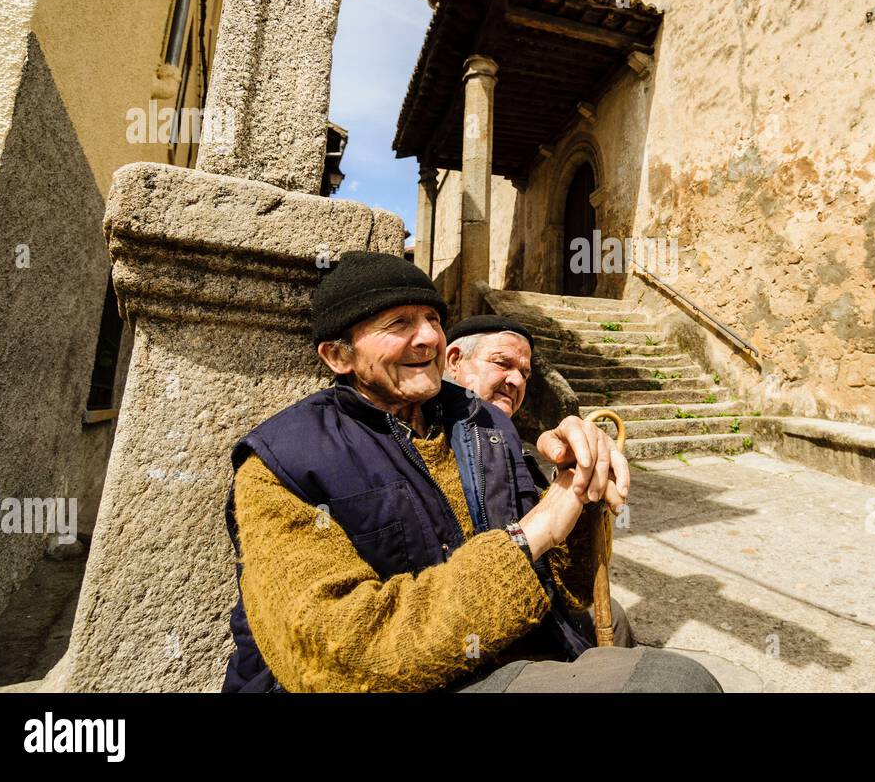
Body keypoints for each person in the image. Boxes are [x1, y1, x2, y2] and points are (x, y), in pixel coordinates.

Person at [221, 251, 720, 693]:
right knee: (676, 684)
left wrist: (575, 491)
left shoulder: (482, 423)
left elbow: (564, 585)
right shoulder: (282, 463)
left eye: (433, 318)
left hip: (505, 656)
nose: (429, 338)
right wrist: (528, 537)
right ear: (337, 355)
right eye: (399, 324)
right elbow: (340, 657)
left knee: (663, 669)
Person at [443, 313, 636, 649]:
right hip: (477, 635)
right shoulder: (433, 440)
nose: (516, 381)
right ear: (455, 361)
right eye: (502, 363)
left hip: (538, 608)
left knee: (614, 617)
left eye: (525, 373)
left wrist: (577, 488)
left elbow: (571, 581)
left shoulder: (514, 447)